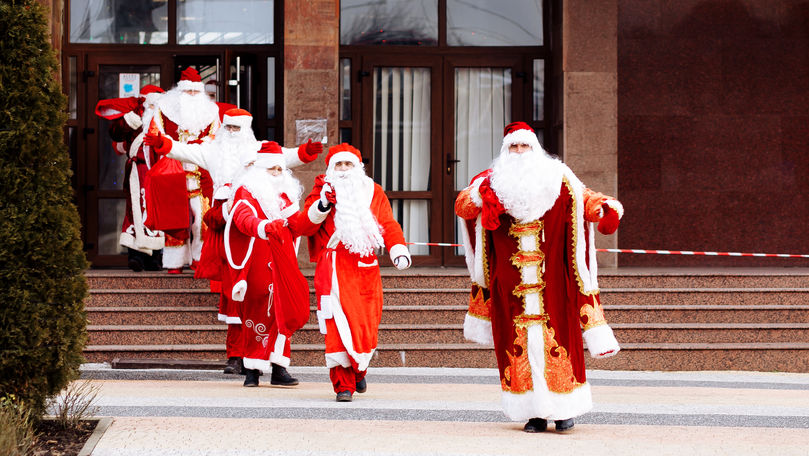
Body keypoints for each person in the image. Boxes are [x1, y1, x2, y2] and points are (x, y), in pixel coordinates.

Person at [454, 121, 623, 433]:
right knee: (516, 348)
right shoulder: (491, 181)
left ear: (535, 149)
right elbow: (462, 206)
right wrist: (481, 196)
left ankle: (564, 411)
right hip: (511, 284)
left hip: (554, 282)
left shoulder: (559, 177)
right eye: (513, 147)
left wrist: (605, 208)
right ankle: (533, 413)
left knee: (561, 342)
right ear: (505, 152)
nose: (519, 152)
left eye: (524, 146)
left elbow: (586, 199)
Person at [145, 108, 323, 374]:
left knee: (266, 295)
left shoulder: (259, 150)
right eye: (228, 127)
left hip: (259, 223)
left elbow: (284, 158)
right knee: (233, 292)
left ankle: (266, 359)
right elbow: (184, 151)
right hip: (228, 222)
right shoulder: (211, 149)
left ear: (246, 129)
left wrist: (306, 151)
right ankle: (236, 355)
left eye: (236, 128)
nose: (231, 133)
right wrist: (162, 143)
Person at [293, 143, 412, 402]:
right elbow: (304, 226)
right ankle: (342, 385)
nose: (344, 169)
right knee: (335, 325)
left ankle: (359, 368)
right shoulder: (322, 190)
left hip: (365, 269)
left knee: (366, 326)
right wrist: (322, 205)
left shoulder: (373, 191)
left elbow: (387, 223)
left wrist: (398, 250)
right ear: (331, 168)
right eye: (339, 164)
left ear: (358, 167)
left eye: (348, 164)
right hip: (333, 269)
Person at [225, 143, 311, 388]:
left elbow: (298, 223)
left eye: (279, 169)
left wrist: (318, 215)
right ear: (261, 169)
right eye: (271, 169)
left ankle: (279, 367)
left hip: (283, 261)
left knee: (282, 311)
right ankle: (252, 370)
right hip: (257, 261)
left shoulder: (286, 195)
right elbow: (243, 219)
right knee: (256, 312)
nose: (277, 174)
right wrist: (263, 227)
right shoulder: (247, 191)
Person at [149, 67, 220, 274]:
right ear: (180, 91)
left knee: (202, 219)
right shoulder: (163, 109)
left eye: (195, 92)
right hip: (173, 170)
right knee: (175, 219)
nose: (191, 96)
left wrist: (201, 142)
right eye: (188, 92)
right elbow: (156, 134)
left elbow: (216, 136)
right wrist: (169, 143)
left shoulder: (211, 112)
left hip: (201, 171)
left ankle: (200, 258)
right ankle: (174, 262)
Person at [95, 84, 165, 271]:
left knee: (157, 215)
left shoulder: (166, 118)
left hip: (160, 172)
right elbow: (115, 134)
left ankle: (154, 258)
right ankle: (136, 257)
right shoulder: (133, 115)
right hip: (138, 170)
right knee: (135, 213)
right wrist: (131, 118)